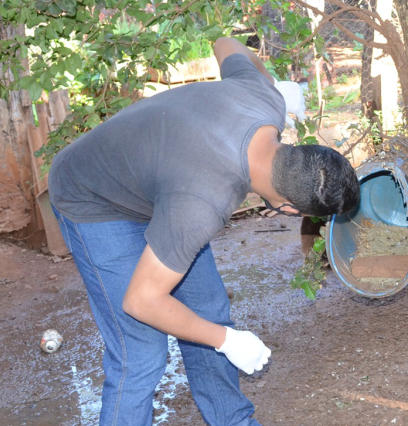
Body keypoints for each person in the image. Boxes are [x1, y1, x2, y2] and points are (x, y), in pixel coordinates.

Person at [47, 37, 360, 426]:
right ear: (289, 208)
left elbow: (226, 41)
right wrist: (226, 341)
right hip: (93, 196)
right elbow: (141, 300)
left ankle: (233, 421)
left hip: (159, 185)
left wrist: (275, 85)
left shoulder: (264, 101)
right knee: (141, 352)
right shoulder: (203, 203)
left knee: (207, 312)